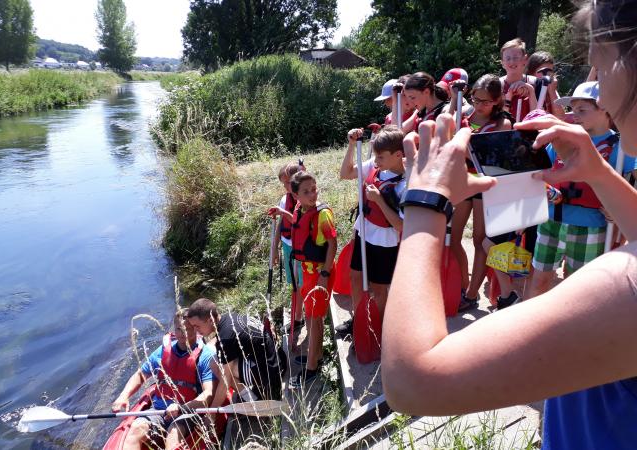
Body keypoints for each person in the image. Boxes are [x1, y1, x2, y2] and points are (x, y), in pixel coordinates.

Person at [382, 1, 637, 448]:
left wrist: (423, 200)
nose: (597, 82)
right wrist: (598, 170)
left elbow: (412, 382)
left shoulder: (625, 286)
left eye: (602, 60)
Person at [527, 80, 637, 298]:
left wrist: (617, 203)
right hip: (550, 220)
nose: (574, 114)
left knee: (575, 287)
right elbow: (538, 171)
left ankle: (572, 331)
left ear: (605, 109)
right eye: (572, 109)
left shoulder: (620, 147)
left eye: (582, 109)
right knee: (538, 280)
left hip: (590, 225)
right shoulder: (561, 140)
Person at [448, 74, 513, 311]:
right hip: (463, 181)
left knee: (478, 240)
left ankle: (472, 293)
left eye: (486, 102)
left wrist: (464, 147)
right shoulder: (465, 116)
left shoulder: (502, 123)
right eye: (476, 99)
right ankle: (461, 283)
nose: (479, 105)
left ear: (497, 101)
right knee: (453, 237)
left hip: (485, 184)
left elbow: (490, 156)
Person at [111, 309, 219, 450]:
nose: (182, 334)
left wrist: (181, 408)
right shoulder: (163, 351)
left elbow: (209, 394)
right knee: (136, 428)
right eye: (179, 329)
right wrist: (123, 396)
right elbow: (141, 375)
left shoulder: (205, 355)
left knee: (174, 433)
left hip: (188, 412)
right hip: (159, 410)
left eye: (187, 329)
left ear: (196, 329)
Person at [268, 171, 337, 387]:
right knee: (309, 318)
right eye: (306, 191)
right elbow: (297, 222)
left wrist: (324, 275)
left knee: (316, 321)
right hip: (306, 272)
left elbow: (332, 244)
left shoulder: (322, 214)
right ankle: (314, 354)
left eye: (314, 189)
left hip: (319, 273)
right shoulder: (300, 208)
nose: (312, 195)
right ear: (295, 195)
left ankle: (312, 368)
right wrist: (282, 212)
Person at [336, 125, 406, 335]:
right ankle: (359, 321)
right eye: (375, 156)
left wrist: (380, 201)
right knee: (355, 276)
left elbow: (400, 225)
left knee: (378, 288)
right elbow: (346, 173)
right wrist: (351, 146)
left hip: (385, 240)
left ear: (398, 155)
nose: (376, 161)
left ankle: (382, 329)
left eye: (381, 157)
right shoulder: (376, 166)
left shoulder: (407, 183)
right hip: (363, 231)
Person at [186, 298, 285, 404]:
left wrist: (212, 413)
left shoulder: (225, 338)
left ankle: (253, 401)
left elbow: (225, 381)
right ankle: (252, 392)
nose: (195, 331)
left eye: (197, 326)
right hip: (278, 358)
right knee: (217, 361)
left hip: (272, 371)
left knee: (218, 367)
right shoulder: (229, 317)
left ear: (211, 320)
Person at [272, 162, 304, 331]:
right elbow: (280, 225)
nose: (285, 187)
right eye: (283, 183)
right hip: (287, 245)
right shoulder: (285, 199)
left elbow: (298, 220)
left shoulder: (305, 197)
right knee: (294, 283)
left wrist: (282, 212)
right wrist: (274, 249)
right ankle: (297, 314)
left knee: (300, 284)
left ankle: (298, 318)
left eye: (287, 182)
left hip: (302, 248)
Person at [500, 38, 538, 122]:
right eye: (508, 58)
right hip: (505, 133)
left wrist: (530, 90)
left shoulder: (536, 83)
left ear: (525, 60)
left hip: (529, 133)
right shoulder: (497, 85)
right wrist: (509, 96)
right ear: (502, 63)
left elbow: (537, 118)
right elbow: (496, 120)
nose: (512, 62)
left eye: (516, 58)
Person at [526, 51, 566, 119]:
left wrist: (552, 91)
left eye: (549, 71)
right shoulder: (526, 90)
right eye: (543, 71)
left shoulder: (551, 89)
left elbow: (560, 117)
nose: (547, 75)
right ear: (531, 73)